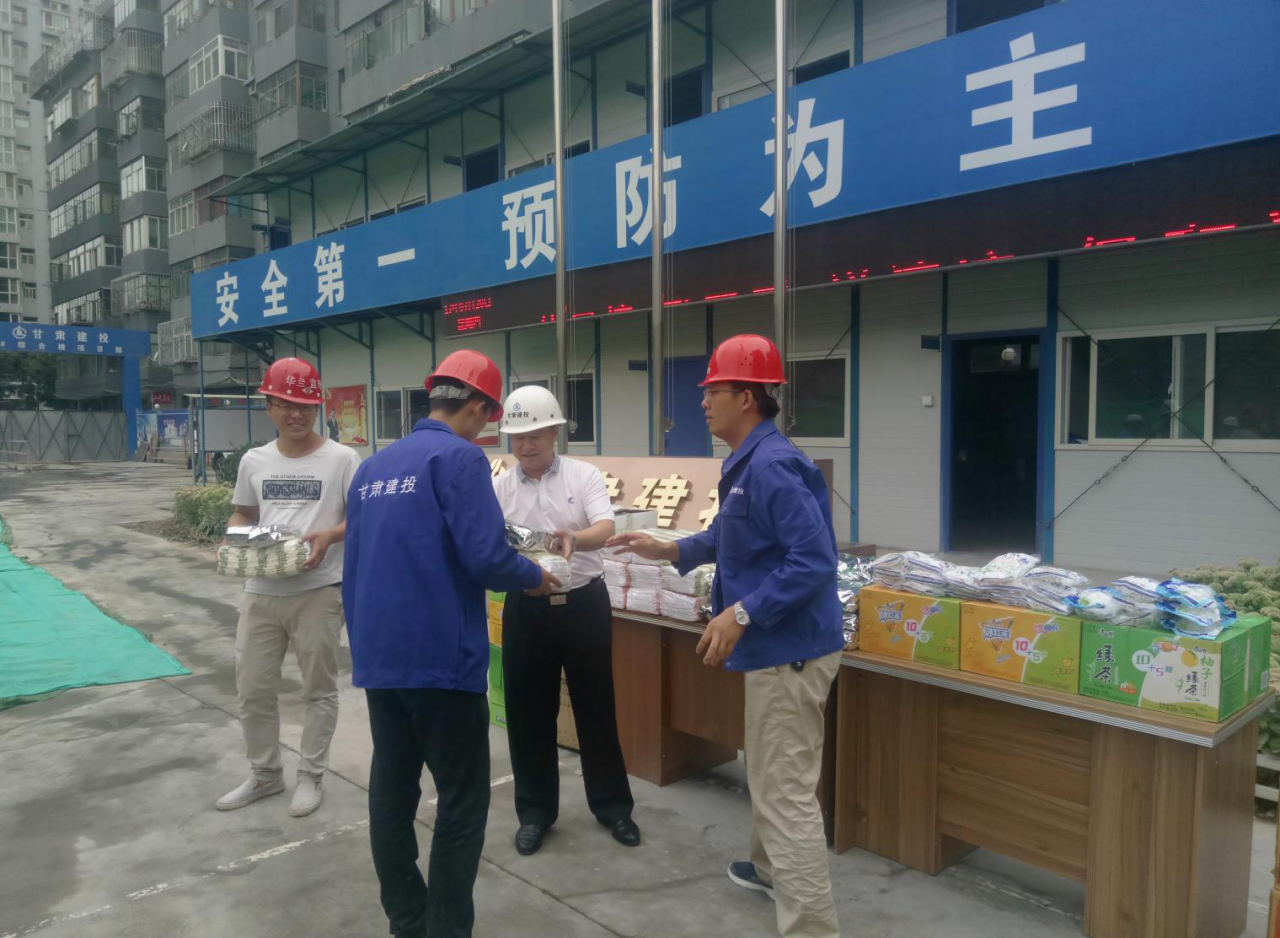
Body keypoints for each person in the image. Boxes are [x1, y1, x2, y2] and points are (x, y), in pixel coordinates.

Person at [608, 334, 844, 938]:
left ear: (746, 397)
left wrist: (740, 614)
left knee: (784, 791)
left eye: (713, 390)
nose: (703, 401)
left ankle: (812, 927)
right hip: (778, 649)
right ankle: (768, 870)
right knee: (771, 771)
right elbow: (731, 538)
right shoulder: (746, 463)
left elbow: (815, 560)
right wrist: (669, 548)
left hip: (791, 652)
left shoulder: (771, 466)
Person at [343, 350, 560, 938]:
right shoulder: (459, 458)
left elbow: (354, 565)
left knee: (391, 795)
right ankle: (445, 928)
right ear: (479, 408)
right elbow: (487, 557)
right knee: (462, 801)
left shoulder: (372, 469)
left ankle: (407, 919)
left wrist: (365, 649)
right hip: (442, 660)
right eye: (490, 418)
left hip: (381, 661)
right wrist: (535, 577)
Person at [492, 385, 639, 857]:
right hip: (526, 609)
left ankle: (613, 807)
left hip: (583, 605)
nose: (526, 444)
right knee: (528, 713)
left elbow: (606, 527)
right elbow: (490, 544)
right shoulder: (500, 488)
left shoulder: (583, 475)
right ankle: (535, 813)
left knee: (596, 705)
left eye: (535, 434)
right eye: (517, 436)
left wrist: (575, 538)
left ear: (555, 431)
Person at [216, 357, 360, 819]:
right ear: (269, 406)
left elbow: (363, 517)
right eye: (285, 404)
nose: (296, 414)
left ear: (317, 406)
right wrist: (234, 536)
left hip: (319, 590)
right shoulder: (254, 461)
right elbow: (244, 512)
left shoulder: (342, 459)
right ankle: (265, 774)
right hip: (261, 591)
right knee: (253, 688)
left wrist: (329, 536)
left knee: (318, 689)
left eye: (305, 405)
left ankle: (311, 776)